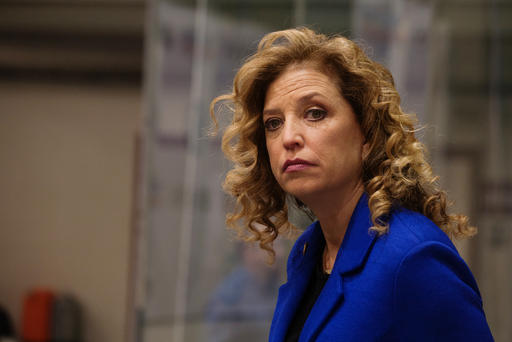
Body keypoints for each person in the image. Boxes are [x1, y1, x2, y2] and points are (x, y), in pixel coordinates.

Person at [210, 27, 494, 341]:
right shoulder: (307, 252)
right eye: (273, 123)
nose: (288, 138)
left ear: (367, 137)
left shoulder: (413, 258)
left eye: (315, 113)